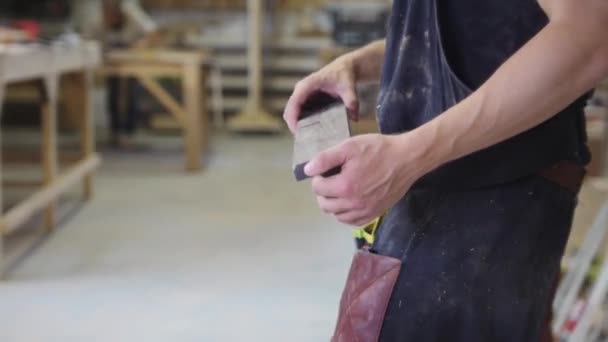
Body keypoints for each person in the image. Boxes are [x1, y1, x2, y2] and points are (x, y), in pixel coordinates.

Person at [283, 0, 608, 341]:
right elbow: (473, 38)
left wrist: (408, 156)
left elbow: (589, 36)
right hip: (434, 197)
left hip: (492, 201)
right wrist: (357, 64)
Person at [73, 0, 160, 148]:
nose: (109, 18)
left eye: (112, 15)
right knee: (113, 93)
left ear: (119, 13)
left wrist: (140, 45)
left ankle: (128, 131)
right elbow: (85, 40)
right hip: (110, 63)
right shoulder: (98, 22)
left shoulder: (134, 18)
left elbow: (153, 33)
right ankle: (115, 132)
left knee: (131, 94)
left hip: (133, 62)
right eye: (106, 14)